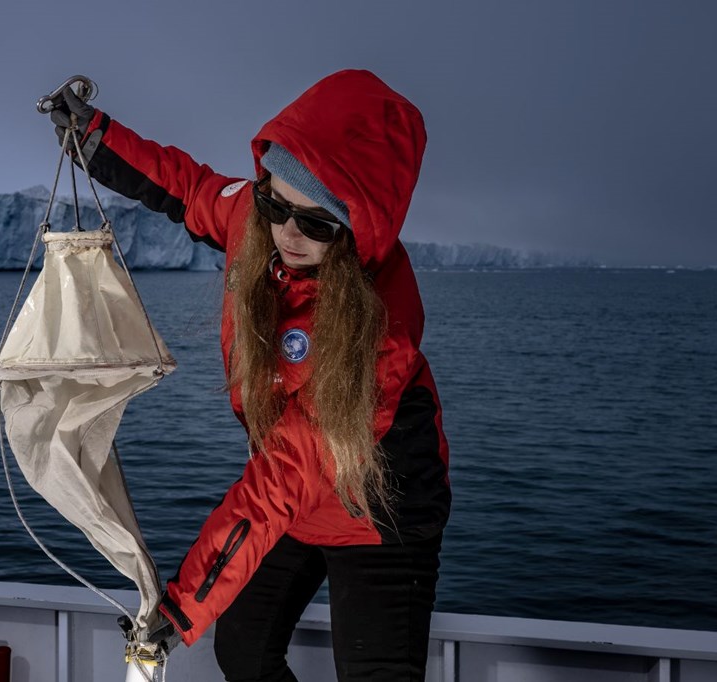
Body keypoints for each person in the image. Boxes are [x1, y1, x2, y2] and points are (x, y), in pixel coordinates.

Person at [48, 69, 451, 681]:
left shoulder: (377, 336)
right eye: (275, 203)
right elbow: (186, 188)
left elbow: (284, 477)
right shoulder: (258, 223)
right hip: (295, 507)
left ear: (357, 229)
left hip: (379, 509)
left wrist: (181, 609)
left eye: (315, 223)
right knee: (243, 649)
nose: (286, 233)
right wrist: (96, 139)